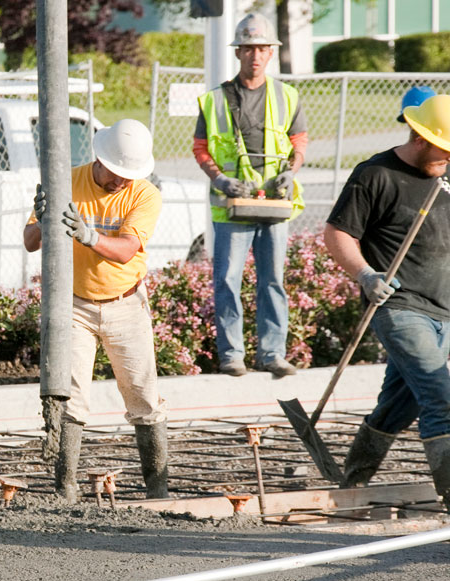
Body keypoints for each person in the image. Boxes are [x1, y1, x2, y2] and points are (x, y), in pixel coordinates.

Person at [23, 119, 169, 501]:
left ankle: (157, 486)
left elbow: (124, 251)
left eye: (129, 175)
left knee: (143, 397)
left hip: (126, 304)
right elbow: (29, 242)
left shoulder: (144, 194)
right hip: (74, 305)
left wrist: (87, 235)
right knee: (71, 396)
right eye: (117, 173)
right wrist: (43, 217)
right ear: (99, 159)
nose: (122, 181)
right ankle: (65, 486)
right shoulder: (66, 180)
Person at [324, 94, 450, 508]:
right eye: (443, 151)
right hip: (398, 308)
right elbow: (338, 234)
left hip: (443, 311)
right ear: (420, 137)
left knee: (402, 401)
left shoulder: (446, 174)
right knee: (439, 395)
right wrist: (365, 274)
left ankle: (353, 478)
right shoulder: (375, 174)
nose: (447, 159)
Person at [193, 13, 307, 378]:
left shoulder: (287, 96)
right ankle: (232, 355)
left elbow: (298, 143)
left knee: (272, 279)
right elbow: (200, 148)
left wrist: (290, 172)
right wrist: (221, 179)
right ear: (238, 52)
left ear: (271, 53)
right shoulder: (215, 100)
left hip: (273, 203)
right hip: (232, 206)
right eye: (248, 49)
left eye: (262, 49)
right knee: (228, 280)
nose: (255, 56)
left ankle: (272, 354)